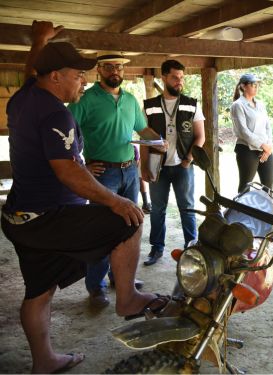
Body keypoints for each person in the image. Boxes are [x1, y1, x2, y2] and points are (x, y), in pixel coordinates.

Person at [1, 21, 169, 373]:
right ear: (56, 76)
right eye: (78, 74)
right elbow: (67, 171)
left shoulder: (26, 97)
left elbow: (32, 70)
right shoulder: (55, 112)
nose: (83, 80)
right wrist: (115, 200)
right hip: (50, 216)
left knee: (39, 290)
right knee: (130, 218)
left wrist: (41, 40)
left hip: (20, 216)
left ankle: (43, 361)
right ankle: (127, 298)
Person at [68, 50, 165, 308]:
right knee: (101, 231)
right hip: (102, 174)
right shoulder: (85, 100)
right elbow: (66, 135)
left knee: (127, 227)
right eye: (109, 67)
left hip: (129, 171)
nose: (115, 72)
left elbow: (142, 129)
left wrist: (158, 142)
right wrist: (82, 165)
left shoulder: (131, 100)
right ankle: (95, 287)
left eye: (119, 68)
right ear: (98, 70)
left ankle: (120, 280)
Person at [141, 59, 205, 266]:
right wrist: (143, 166)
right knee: (158, 209)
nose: (179, 82)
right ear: (164, 77)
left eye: (182, 78)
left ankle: (192, 248)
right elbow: (144, 138)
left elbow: (200, 137)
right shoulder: (149, 106)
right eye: (175, 78)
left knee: (187, 207)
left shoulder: (192, 103)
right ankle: (156, 248)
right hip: (156, 166)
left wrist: (187, 160)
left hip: (182, 166)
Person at [231, 73, 273, 193]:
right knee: (245, 186)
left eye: (257, 84)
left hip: (265, 149)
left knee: (268, 186)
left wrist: (268, 147)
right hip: (247, 149)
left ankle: (266, 212)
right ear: (243, 86)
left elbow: (268, 127)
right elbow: (243, 131)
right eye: (252, 84)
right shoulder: (238, 105)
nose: (256, 87)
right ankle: (241, 211)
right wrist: (262, 145)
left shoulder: (260, 104)